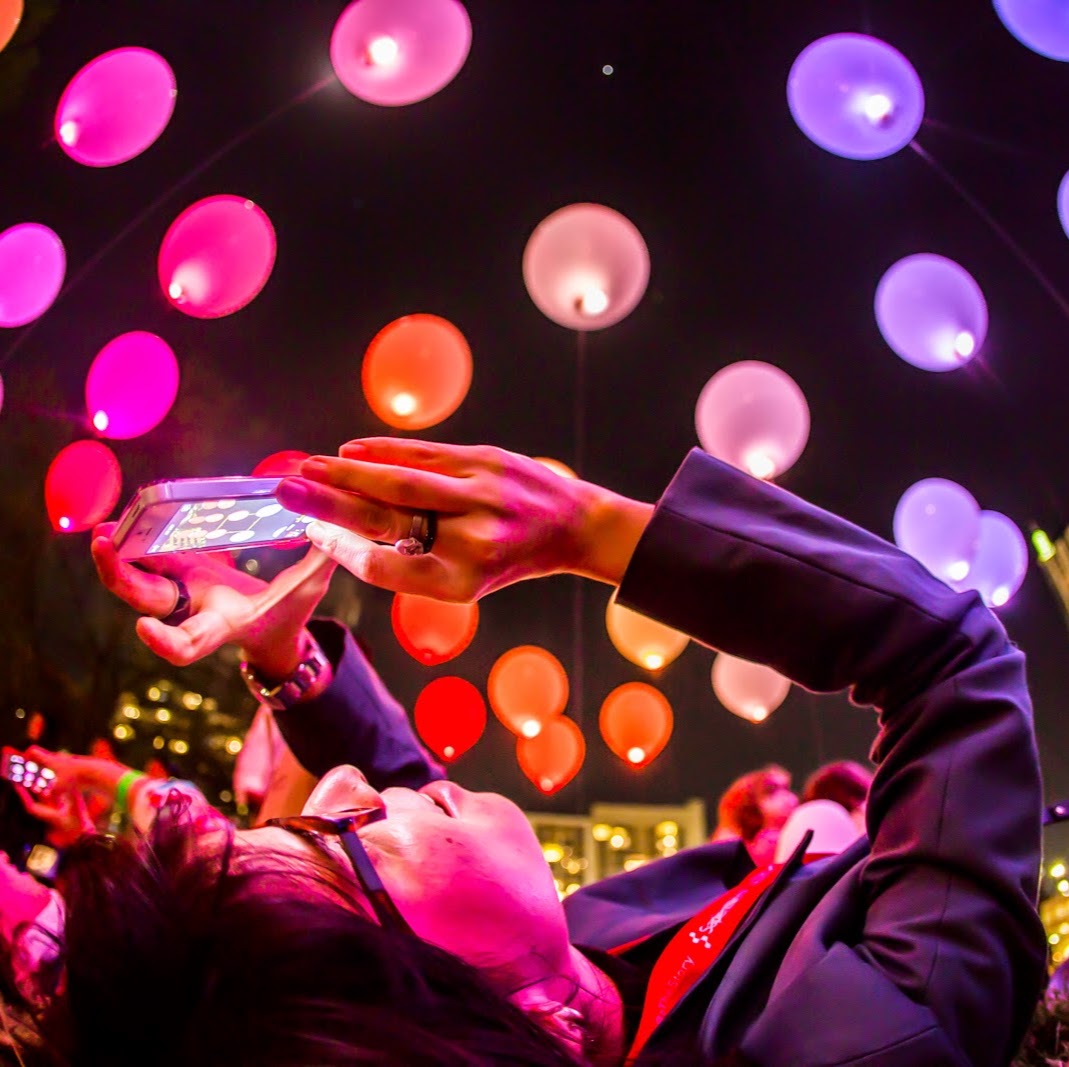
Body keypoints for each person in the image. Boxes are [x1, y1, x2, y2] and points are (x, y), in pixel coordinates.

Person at [26, 438, 1045, 1064]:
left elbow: (418, 808)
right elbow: (955, 665)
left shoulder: (567, 962)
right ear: (466, 1016)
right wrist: (595, 531)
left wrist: (280, 649)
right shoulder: (865, 1041)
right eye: (346, 839)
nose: (357, 789)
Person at [710, 765, 798, 866]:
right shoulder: (765, 842)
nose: (788, 798)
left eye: (786, 789)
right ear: (750, 808)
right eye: (772, 793)